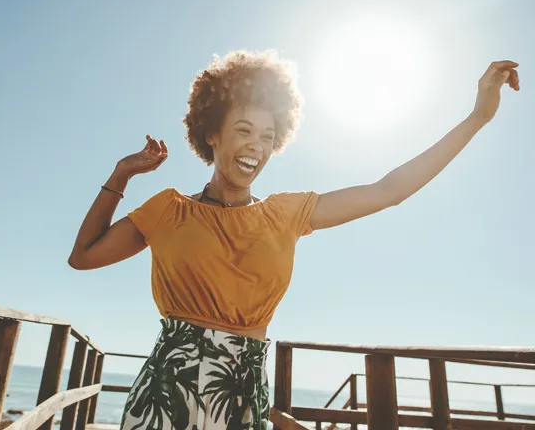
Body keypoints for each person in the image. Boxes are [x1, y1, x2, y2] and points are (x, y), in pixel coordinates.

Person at [68, 50, 520, 430]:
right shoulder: (168, 209)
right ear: (211, 133)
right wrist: (121, 173)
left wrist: (477, 118)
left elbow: (389, 191)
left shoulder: (286, 213)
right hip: (167, 391)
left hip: (241, 393)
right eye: (243, 130)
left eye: (267, 137)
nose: (255, 147)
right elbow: (83, 257)